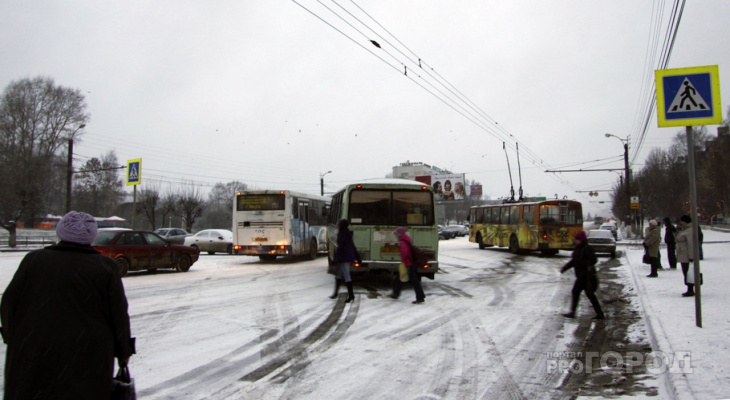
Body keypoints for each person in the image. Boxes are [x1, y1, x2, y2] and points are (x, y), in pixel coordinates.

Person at [0, 211, 135, 399]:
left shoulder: (35, 260)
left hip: (34, 354)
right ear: (91, 235)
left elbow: (8, 302)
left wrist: (13, 337)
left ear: (61, 232)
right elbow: (118, 314)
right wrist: (123, 352)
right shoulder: (105, 266)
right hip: (88, 358)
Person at [560, 230, 604, 319]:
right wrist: (565, 268)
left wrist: (585, 263)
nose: (575, 241)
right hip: (581, 276)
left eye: (577, 239)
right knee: (577, 292)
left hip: (587, 276)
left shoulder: (587, 248)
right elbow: (574, 261)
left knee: (589, 294)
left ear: (581, 240)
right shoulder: (578, 248)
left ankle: (599, 314)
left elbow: (594, 260)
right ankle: (573, 312)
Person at [390, 226, 426, 304]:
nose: (396, 235)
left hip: (407, 263)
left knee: (413, 281)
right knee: (399, 278)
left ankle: (420, 297)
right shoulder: (406, 240)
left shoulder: (403, 241)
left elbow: (405, 252)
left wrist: (403, 261)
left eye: (397, 234)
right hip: (408, 263)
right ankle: (395, 293)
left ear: (400, 234)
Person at [329, 219, 358, 303]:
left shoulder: (342, 235)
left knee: (346, 275)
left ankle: (351, 295)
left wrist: (336, 259)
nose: (338, 226)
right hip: (346, 257)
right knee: (338, 275)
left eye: (339, 225)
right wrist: (357, 257)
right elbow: (352, 246)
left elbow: (340, 248)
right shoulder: (348, 234)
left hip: (343, 258)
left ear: (341, 226)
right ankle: (335, 293)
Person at [675, 215, 696, 297]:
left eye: (682, 221)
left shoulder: (689, 230)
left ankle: (690, 289)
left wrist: (691, 256)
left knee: (688, 273)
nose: (680, 222)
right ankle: (689, 288)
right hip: (683, 254)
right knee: (686, 272)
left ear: (685, 221)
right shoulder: (684, 229)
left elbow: (691, 244)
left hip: (686, 255)